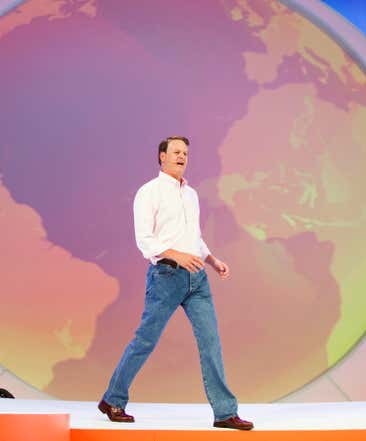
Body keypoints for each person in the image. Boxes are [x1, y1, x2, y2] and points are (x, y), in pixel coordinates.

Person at [98, 136, 254, 430]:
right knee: (145, 341)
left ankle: (224, 413)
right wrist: (177, 256)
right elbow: (145, 240)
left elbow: (193, 237)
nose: (182, 157)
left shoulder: (191, 194)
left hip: (198, 280)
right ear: (162, 156)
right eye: (176, 152)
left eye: (185, 153)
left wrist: (212, 260)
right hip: (166, 277)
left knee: (211, 343)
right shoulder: (149, 192)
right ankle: (113, 399)